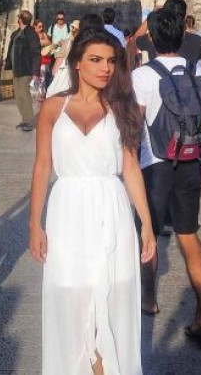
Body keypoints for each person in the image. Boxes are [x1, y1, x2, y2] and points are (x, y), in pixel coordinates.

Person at [29, 28, 157, 375]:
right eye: (96, 60)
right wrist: (34, 223)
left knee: (111, 302)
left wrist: (146, 223)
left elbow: (131, 167)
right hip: (67, 212)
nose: (105, 68)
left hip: (111, 209)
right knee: (70, 295)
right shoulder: (53, 108)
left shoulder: (122, 108)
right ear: (76, 63)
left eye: (111, 61)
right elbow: (42, 166)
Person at [132, 8, 201, 351]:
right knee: (189, 235)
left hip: (156, 165)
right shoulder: (197, 72)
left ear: (151, 38)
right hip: (191, 162)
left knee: (148, 233)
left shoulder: (142, 76)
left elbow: (135, 126)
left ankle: (149, 299)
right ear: (183, 36)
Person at [135, 0, 201, 68]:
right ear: (184, 16)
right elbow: (199, 55)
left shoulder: (154, 39)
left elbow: (136, 39)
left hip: (156, 74)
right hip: (187, 74)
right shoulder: (197, 41)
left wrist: (153, 17)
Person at [5, 10, 42, 132]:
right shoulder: (16, 34)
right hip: (17, 69)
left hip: (25, 69)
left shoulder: (31, 34)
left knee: (25, 96)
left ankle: (29, 121)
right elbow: (11, 50)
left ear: (20, 19)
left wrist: (35, 73)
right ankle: (25, 119)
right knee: (19, 96)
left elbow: (36, 54)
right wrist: (8, 62)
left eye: (18, 17)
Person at [34, 19, 54, 92]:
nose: (41, 28)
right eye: (39, 27)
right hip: (34, 60)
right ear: (35, 26)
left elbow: (49, 43)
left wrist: (42, 41)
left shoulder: (43, 34)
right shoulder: (32, 35)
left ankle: (42, 92)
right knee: (35, 77)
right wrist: (42, 42)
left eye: (42, 26)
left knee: (43, 77)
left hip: (43, 59)